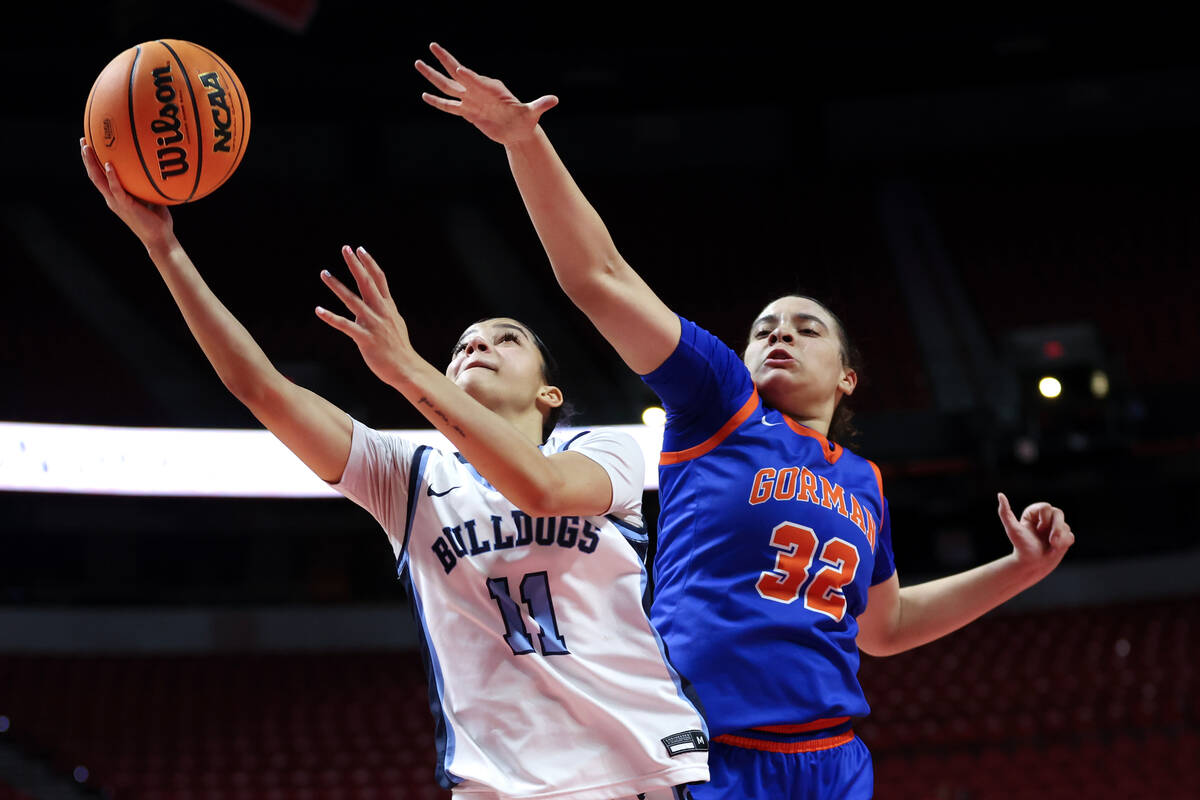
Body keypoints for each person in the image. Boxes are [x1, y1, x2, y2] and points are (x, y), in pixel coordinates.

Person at [415, 43, 1077, 799]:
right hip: (709, 753)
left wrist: (1021, 570)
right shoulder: (718, 405)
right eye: (764, 327)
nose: (779, 334)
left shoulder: (863, 481)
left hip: (832, 758)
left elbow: (885, 628)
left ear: (848, 375)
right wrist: (524, 142)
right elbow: (599, 278)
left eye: (805, 327)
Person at [80, 139, 709, 800]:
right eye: (465, 342)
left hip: (645, 771)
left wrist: (408, 368)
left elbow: (544, 490)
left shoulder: (603, 448)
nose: (477, 344)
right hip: (503, 787)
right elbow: (261, 389)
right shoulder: (407, 477)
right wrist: (164, 248)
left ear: (549, 394)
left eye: (505, 338)